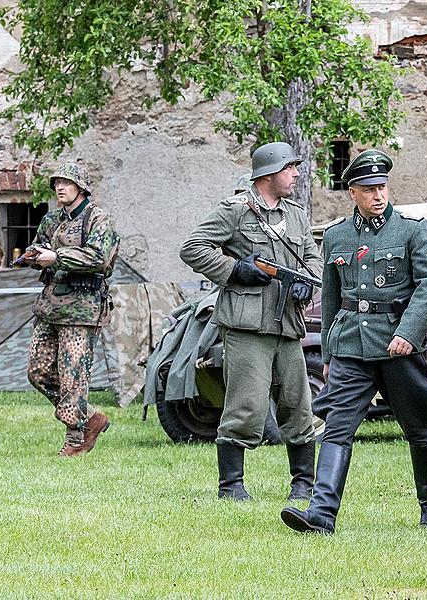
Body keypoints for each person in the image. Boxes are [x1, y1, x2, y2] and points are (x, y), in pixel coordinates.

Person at [280, 149, 427, 534]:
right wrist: (330, 350)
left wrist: (408, 333)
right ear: (352, 191)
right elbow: (333, 295)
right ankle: (321, 514)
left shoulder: (411, 229)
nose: (378, 195)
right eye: (369, 189)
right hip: (352, 346)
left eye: (383, 187)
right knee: (338, 426)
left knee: (418, 428)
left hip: (397, 345)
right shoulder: (337, 235)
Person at [179, 142, 321, 503]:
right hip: (246, 324)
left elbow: (312, 258)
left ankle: (303, 483)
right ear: (269, 173)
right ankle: (232, 486)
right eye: (290, 168)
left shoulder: (297, 214)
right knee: (246, 404)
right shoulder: (235, 212)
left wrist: (306, 284)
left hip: (288, 322)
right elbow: (193, 247)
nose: (296, 174)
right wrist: (235, 271)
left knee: (297, 403)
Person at [26, 162, 120, 457]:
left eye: (66, 183)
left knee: (73, 375)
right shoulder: (52, 220)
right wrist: (33, 256)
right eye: (56, 184)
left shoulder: (98, 218)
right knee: (38, 371)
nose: (60, 188)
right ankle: (91, 417)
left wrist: (56, 256)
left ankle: (75, 438)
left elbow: (99, 258)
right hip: (50, 307)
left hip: (82, 309)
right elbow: (39, 246)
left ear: (80, 186)